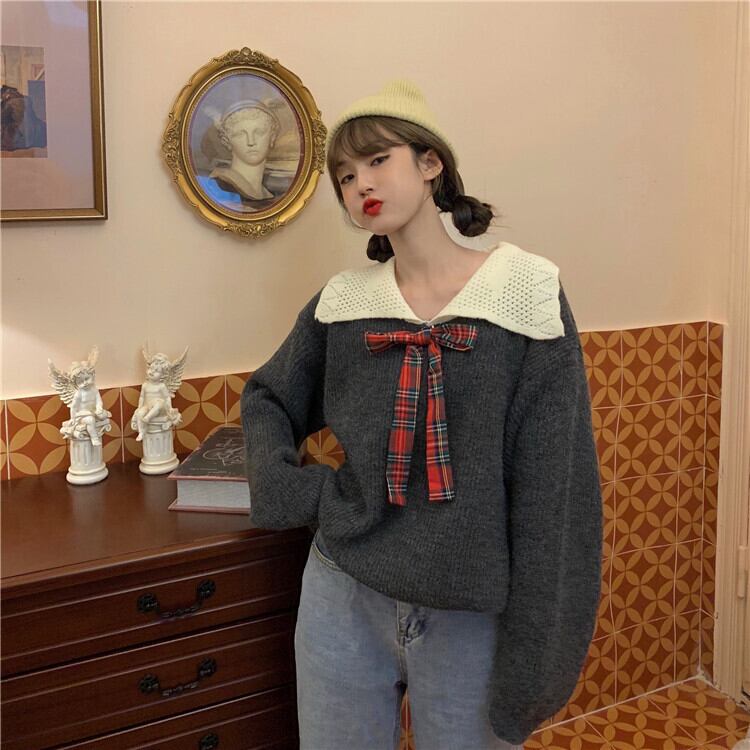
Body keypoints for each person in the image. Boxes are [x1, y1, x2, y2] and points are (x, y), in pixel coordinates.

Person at [241, 79, 603, 749]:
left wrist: (537, 649)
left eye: (378, 160)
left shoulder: (523, 292)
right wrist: (298, 491)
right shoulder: (344, 303)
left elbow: (556, 490)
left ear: (430, 162)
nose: (361, 184)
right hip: (343, 594)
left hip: (471, 613)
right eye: (345, 176)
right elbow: (268, 397)